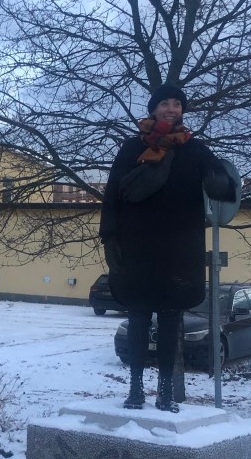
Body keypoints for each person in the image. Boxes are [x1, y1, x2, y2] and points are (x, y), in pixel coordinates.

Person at [99, 85, 235, 413]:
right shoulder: (132, 147)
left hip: (178, 249)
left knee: (171, 321)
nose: (171, 108)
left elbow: (224, 188)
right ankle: (135, 390)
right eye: (165, 103)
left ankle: (165, 393)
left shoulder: (195, 149)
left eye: (176, 103)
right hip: (137, 246)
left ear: (182, 110)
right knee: (138, 318)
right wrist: (109, 236)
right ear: (153, 108)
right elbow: (113, 194)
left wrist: (221, 181)